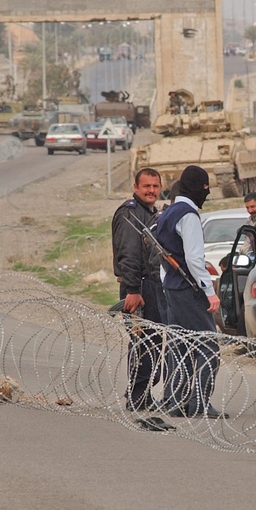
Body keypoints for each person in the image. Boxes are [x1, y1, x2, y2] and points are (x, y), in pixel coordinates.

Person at [154, 165, 228, 419]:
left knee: (180, 345)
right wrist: (210, 292)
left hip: (171, 289)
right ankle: (200, 403)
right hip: (189, 289)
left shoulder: (168, 212)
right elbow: (195, 259)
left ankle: (177, 401)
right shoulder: (188, 215)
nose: (207, 193)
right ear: (198, 187)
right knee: (208, 347)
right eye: (205, 188)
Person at [111, 168, 174, 433]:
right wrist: (132, 291)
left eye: (155, 186)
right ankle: (137, 396)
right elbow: (129, 255)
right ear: (135, 187)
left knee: (153, 343)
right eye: (146, 186)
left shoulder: (151, 213)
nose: (151, 190)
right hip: (138, 288)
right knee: (143, 342)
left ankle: (142, 393)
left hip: (152, 286)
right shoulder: (129, 214)